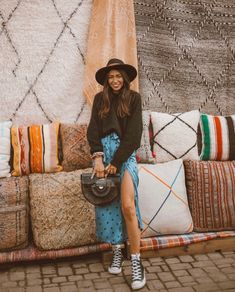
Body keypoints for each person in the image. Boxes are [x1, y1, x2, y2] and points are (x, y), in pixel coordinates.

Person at [87, 58, 146, 290]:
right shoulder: (99, 100)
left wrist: (117, 161)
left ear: (125, 77)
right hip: (103, 154)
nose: (115, 80)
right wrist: (98, 157)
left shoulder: (134, 99)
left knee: (127, 206)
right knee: (108, 205)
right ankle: (117, 251)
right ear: (106, 80)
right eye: (110, 77)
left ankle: (137, 263)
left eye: (118, 76)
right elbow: (93, 129)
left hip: (125, 154)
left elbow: (134, 134)